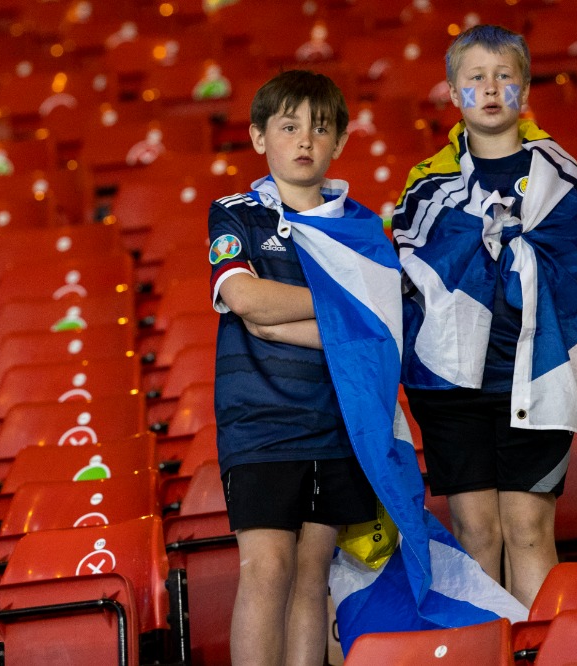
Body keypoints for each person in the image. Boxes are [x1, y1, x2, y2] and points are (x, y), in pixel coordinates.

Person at [391, 25, 577, 608]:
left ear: (523, 90)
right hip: (453, 388)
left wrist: (514, 245)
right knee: (477, 534)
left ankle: (537, 649)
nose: (490, 90)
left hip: (536, 377)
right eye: (476, 79)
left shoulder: (561, 177)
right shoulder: (426, 185)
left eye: (504, 77)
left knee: (528, 531)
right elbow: (410, 276)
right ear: (453, 93)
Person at [208, 69, 380, 666]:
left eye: (321, 127)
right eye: (288, 126)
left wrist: (310, 319)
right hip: (261, 425)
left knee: (313, 573)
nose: (305, 139)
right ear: (259, 138)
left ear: (339, 142)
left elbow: (377, 330)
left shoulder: (360, 228)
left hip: (339, 423)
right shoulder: (236, 214)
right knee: (268, 568)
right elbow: (249, 304)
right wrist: (344, 303)